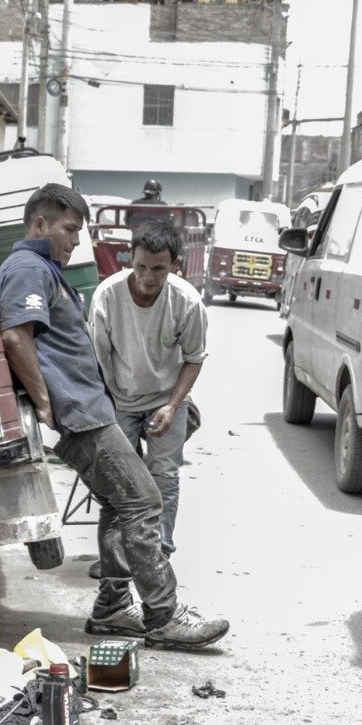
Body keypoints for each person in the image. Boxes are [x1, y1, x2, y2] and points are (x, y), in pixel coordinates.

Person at [0, 184, 228, 649]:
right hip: (83, 417)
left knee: (122, 507)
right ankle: (163, 616)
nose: (76, 241)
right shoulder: (26, 268)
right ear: (39, 225)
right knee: (144, 502)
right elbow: (16, 337)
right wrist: (44, 402)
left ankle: (112, 609)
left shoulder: (44, 270)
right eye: (69, 230)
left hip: (91, 410)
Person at [89, 217, 207, 564]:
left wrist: (172, 405)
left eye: (158, 268)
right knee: (118, 483)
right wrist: (105, 408)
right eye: (140, 266)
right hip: (120, 399)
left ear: (174, 265)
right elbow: (97, 360)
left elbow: (195, 358)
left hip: (166, 399)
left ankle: (159, 553)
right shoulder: (107, 297)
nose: (147, 276)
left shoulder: (187, 302)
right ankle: (116, 558)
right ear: (130, 258)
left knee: (164, 476)